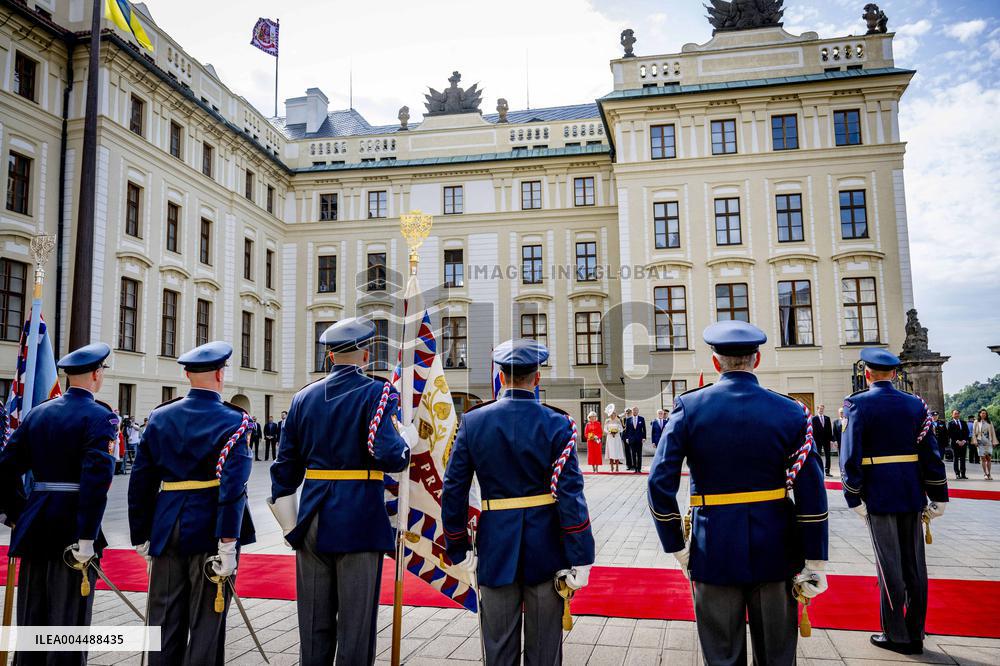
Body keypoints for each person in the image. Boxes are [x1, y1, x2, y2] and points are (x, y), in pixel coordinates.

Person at [648, 321, 828, 665]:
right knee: (777, 656)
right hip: (777, 547)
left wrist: (677, 547)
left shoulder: (689, 407)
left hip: (713, 545)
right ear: (757, 360)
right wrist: (815, 558)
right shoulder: (791, 411)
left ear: (716, 363)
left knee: (722, 656)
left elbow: (659, 483)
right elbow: (811, 492)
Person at [268, 318, 413, 665]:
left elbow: (284, 470)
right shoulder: (377, 393)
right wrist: (406, 442)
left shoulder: (303, 397)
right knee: (356, 625)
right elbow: (391, 456)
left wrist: (292, 527)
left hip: (312, 516)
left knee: (314, 622)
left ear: (330, 355)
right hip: (358, 517)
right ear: (366, 355)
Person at [442, 339, 595, 665]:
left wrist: (458, 548)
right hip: (547, 550)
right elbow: (571, 496)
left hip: (496, 547)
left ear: (499, 377)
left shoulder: (473, 421)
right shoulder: (558, 423)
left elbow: (453, 490)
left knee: (498, 650)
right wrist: (582, 555)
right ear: (537, 378)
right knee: (544, 652)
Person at [127, 341, 256, 665]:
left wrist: (141, 537)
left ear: (186, 374)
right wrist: (228, 543)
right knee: (205, 625)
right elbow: (232, 489)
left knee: (163, 621)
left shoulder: (159, 417)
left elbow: (140, 483)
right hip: (209, 530)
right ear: (220, 373)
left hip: (166, 527)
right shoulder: (235, 421)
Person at [0, 343, 117, 666]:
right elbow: (95, 484)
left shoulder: (39, 413)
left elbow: (6, 468)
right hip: (72, 529)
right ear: (96, 374)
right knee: (69, 618)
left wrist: (17, 514)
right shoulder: (100, 417)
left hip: (35, 524)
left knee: (33, 613)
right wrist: (87, 537)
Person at [840, 348, 949, 656]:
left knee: (889, 566)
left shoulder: (856, 404)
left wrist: (853, 494)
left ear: (867, 374)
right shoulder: (916, 405)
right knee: (915, 565)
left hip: (878, 493)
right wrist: (938, 494)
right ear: (894, 374)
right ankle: (916, 631)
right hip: (912, 492)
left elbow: (850, 457)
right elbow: (931, 452)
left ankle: (895, 633)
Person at [811, 404, 834, 476]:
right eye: (820, 409)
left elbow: (830, 430)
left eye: (822, 409)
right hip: (817, 441)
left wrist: (831, 440)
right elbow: (813, 430)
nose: (821, 410)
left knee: (828, 456)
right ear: (817, 409)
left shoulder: (827, 418)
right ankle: (819, 471)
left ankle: (827, 471)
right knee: (818, 455)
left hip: (826, 440)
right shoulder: (814, 418)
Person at [973, 410, 996, 480]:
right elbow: (973, 432)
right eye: (982, 413)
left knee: (988, 458)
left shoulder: (989, 422)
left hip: (988, 442)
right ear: (980, 414)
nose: (984, 414)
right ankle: (985, 474)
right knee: (983, 458)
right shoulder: (976, 422)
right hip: (980, 442)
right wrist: (975, 441)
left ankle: (989, 473)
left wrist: (994, 442)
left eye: (985, 413)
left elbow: (993, 432)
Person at [624, 405, 647, 473]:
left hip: (639, 439)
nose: (635, 411)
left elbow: (644, 429)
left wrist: (644, 437)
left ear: (638, 411)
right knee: (633, 454)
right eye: (634, 410)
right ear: (632, 411)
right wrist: (627, 438)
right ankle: (635, 468)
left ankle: (639, 468)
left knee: (639, 454)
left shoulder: (641, 419)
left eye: (636, 410)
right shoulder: (628, 419)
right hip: (631, 439)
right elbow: (627, 430)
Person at [947, 410, 969, 479]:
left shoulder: (963, 422)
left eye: (958, 413)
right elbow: (950, 433)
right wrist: (957, 441)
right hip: (955, 443)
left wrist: (964, 440)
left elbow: (967, 432)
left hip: (963, 443)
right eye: (955, 414)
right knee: (956, 458)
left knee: (963, 459)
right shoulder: (950, 423)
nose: (957, 415)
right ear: (952, 415)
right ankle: (957, 473)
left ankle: (963, 474)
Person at [605, 407, 624, 473]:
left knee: (616, 451)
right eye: (612, 414)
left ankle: (617, 467)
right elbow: (605, 429)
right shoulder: (607, 420)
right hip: (610, 438)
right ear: (609, 414)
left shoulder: (618, 421)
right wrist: (610, 432)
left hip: (617, 438)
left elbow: (621, 429)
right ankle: (611, 467)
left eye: (614, 413)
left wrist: (616, 432)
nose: (613, 415)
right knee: (611, 452)